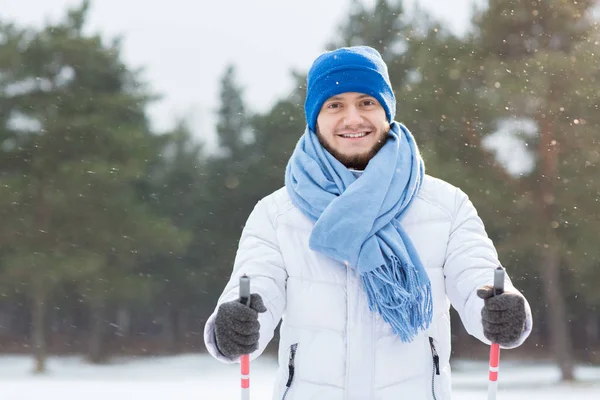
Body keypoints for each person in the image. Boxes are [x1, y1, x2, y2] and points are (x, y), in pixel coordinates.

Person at [203, 45, 533, 399]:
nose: (352, 118)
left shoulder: (445, 206)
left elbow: (477, 276)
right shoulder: (278, 214)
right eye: (335, 105)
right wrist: (232, 326)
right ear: (315, 117)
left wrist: (501, 309)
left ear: (386, 111)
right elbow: (255, 287)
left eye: (366, 102)